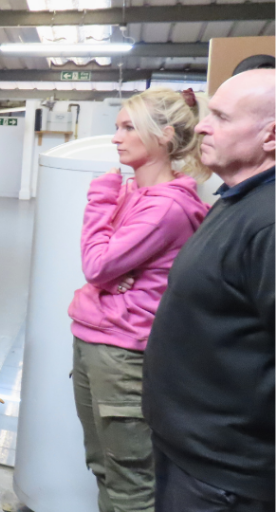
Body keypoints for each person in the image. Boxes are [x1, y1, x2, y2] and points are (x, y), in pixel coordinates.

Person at [66, 89, 210, 512]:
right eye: (117, 127)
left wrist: (100, 197)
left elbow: (95, 265)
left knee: (130, 482)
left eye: (129, 127)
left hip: (122, 354)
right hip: (94, 340)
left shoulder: (165, 207)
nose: (116, 138)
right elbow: (105, 271)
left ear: (164, 137)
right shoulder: (134, 194)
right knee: (102, 465)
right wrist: (111, 277)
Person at [143, 70, 275, 512]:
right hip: (192, 455)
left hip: (224, 476)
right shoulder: (237, 198)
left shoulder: (270, 222)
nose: (201, 125)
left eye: (220, 116)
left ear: (271, 136)